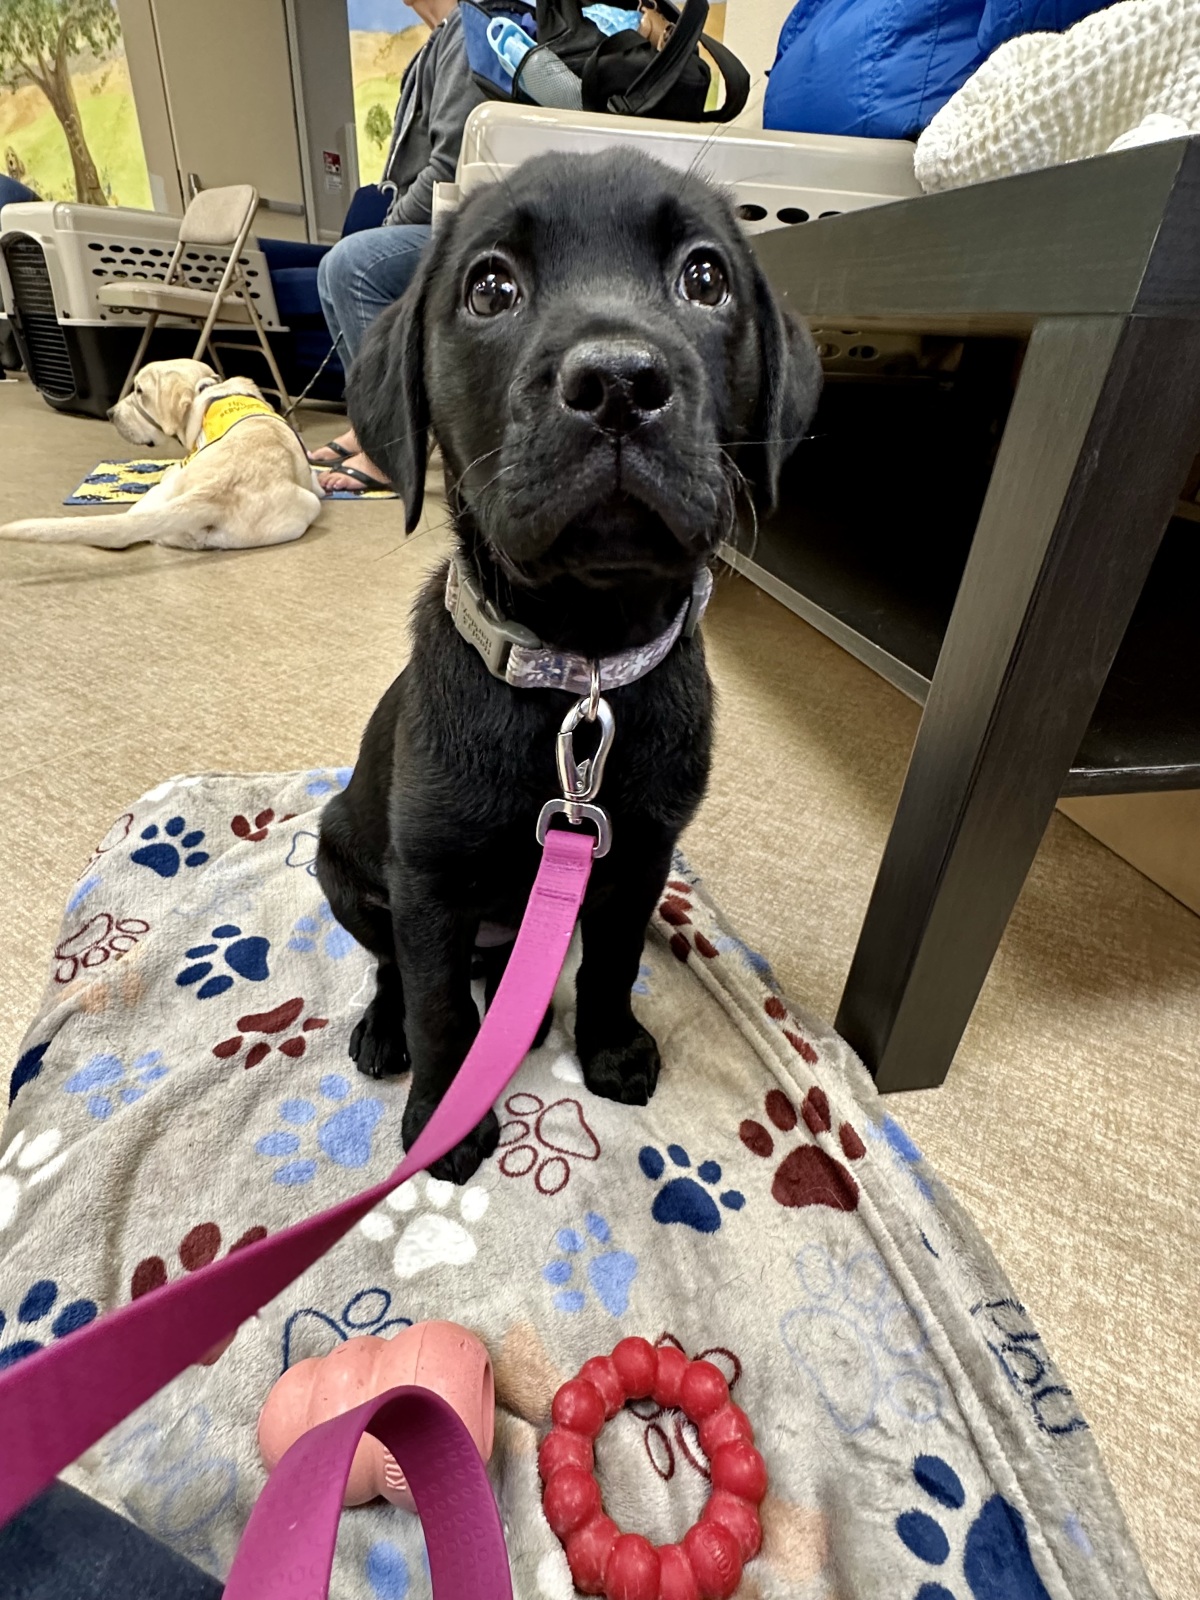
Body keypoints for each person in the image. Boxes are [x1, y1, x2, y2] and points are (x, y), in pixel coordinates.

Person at [311, 0, 483, 493]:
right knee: (332, 269)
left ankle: (393, 448)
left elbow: (447, 168)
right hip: (435, 219)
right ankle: (369, 425)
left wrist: (388, 224)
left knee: (354, 264)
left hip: (456, 222)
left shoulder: (469, 37)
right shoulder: (440, 40)